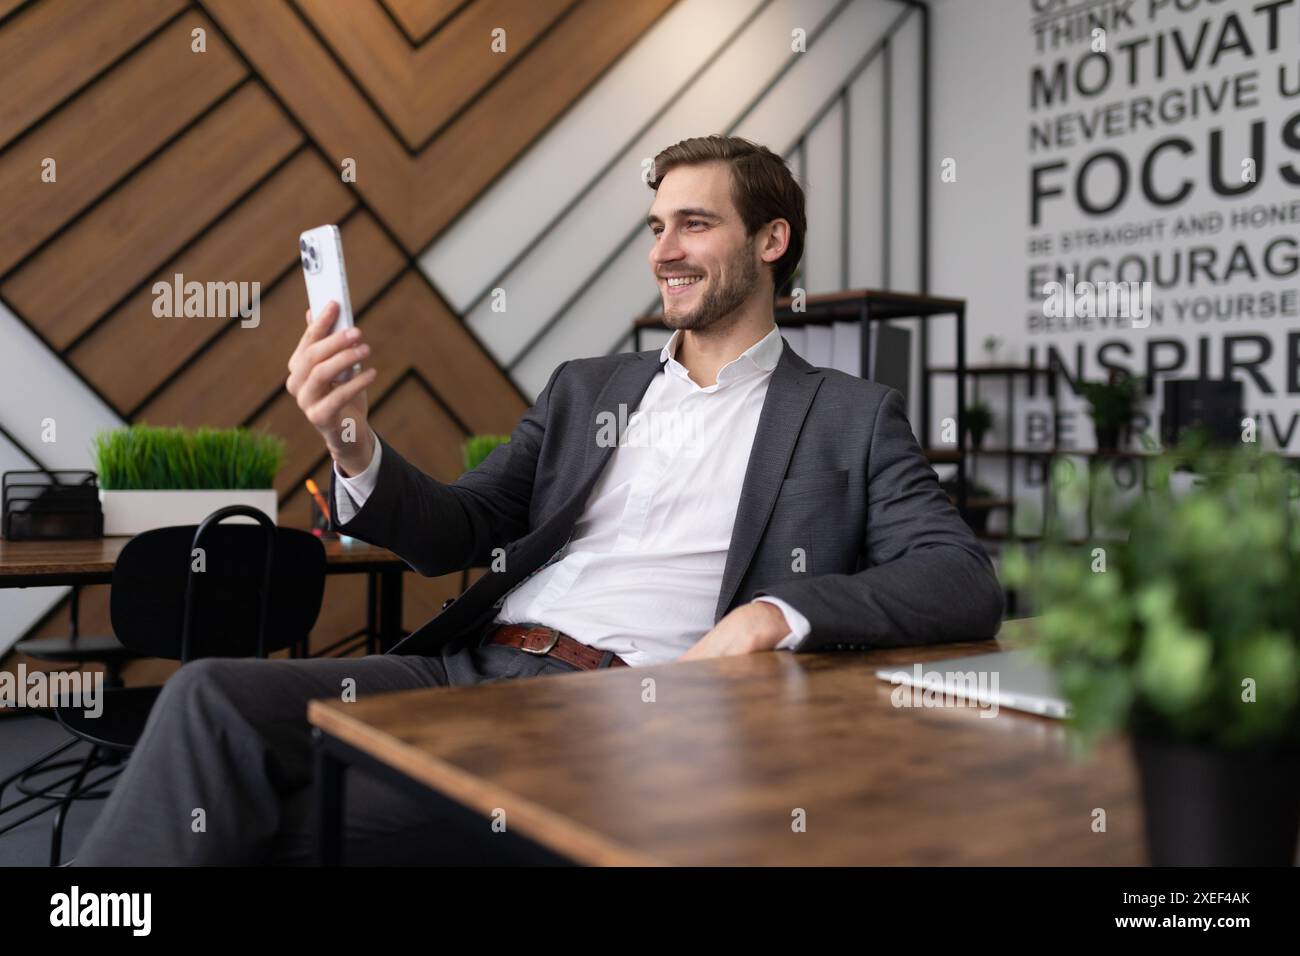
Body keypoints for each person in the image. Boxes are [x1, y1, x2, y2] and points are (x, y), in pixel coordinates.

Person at [73, 135, 1002, 866]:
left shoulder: (847, 416)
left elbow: (960, 576)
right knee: (204, 702)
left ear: (771, 240)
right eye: (654, 227)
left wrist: (774, 613)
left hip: (615, 711)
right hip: (464, 673)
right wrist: (348, 436)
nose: (663, 253)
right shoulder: (586, 390)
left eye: (693, 225)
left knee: (255, 822)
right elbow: (454, 531)